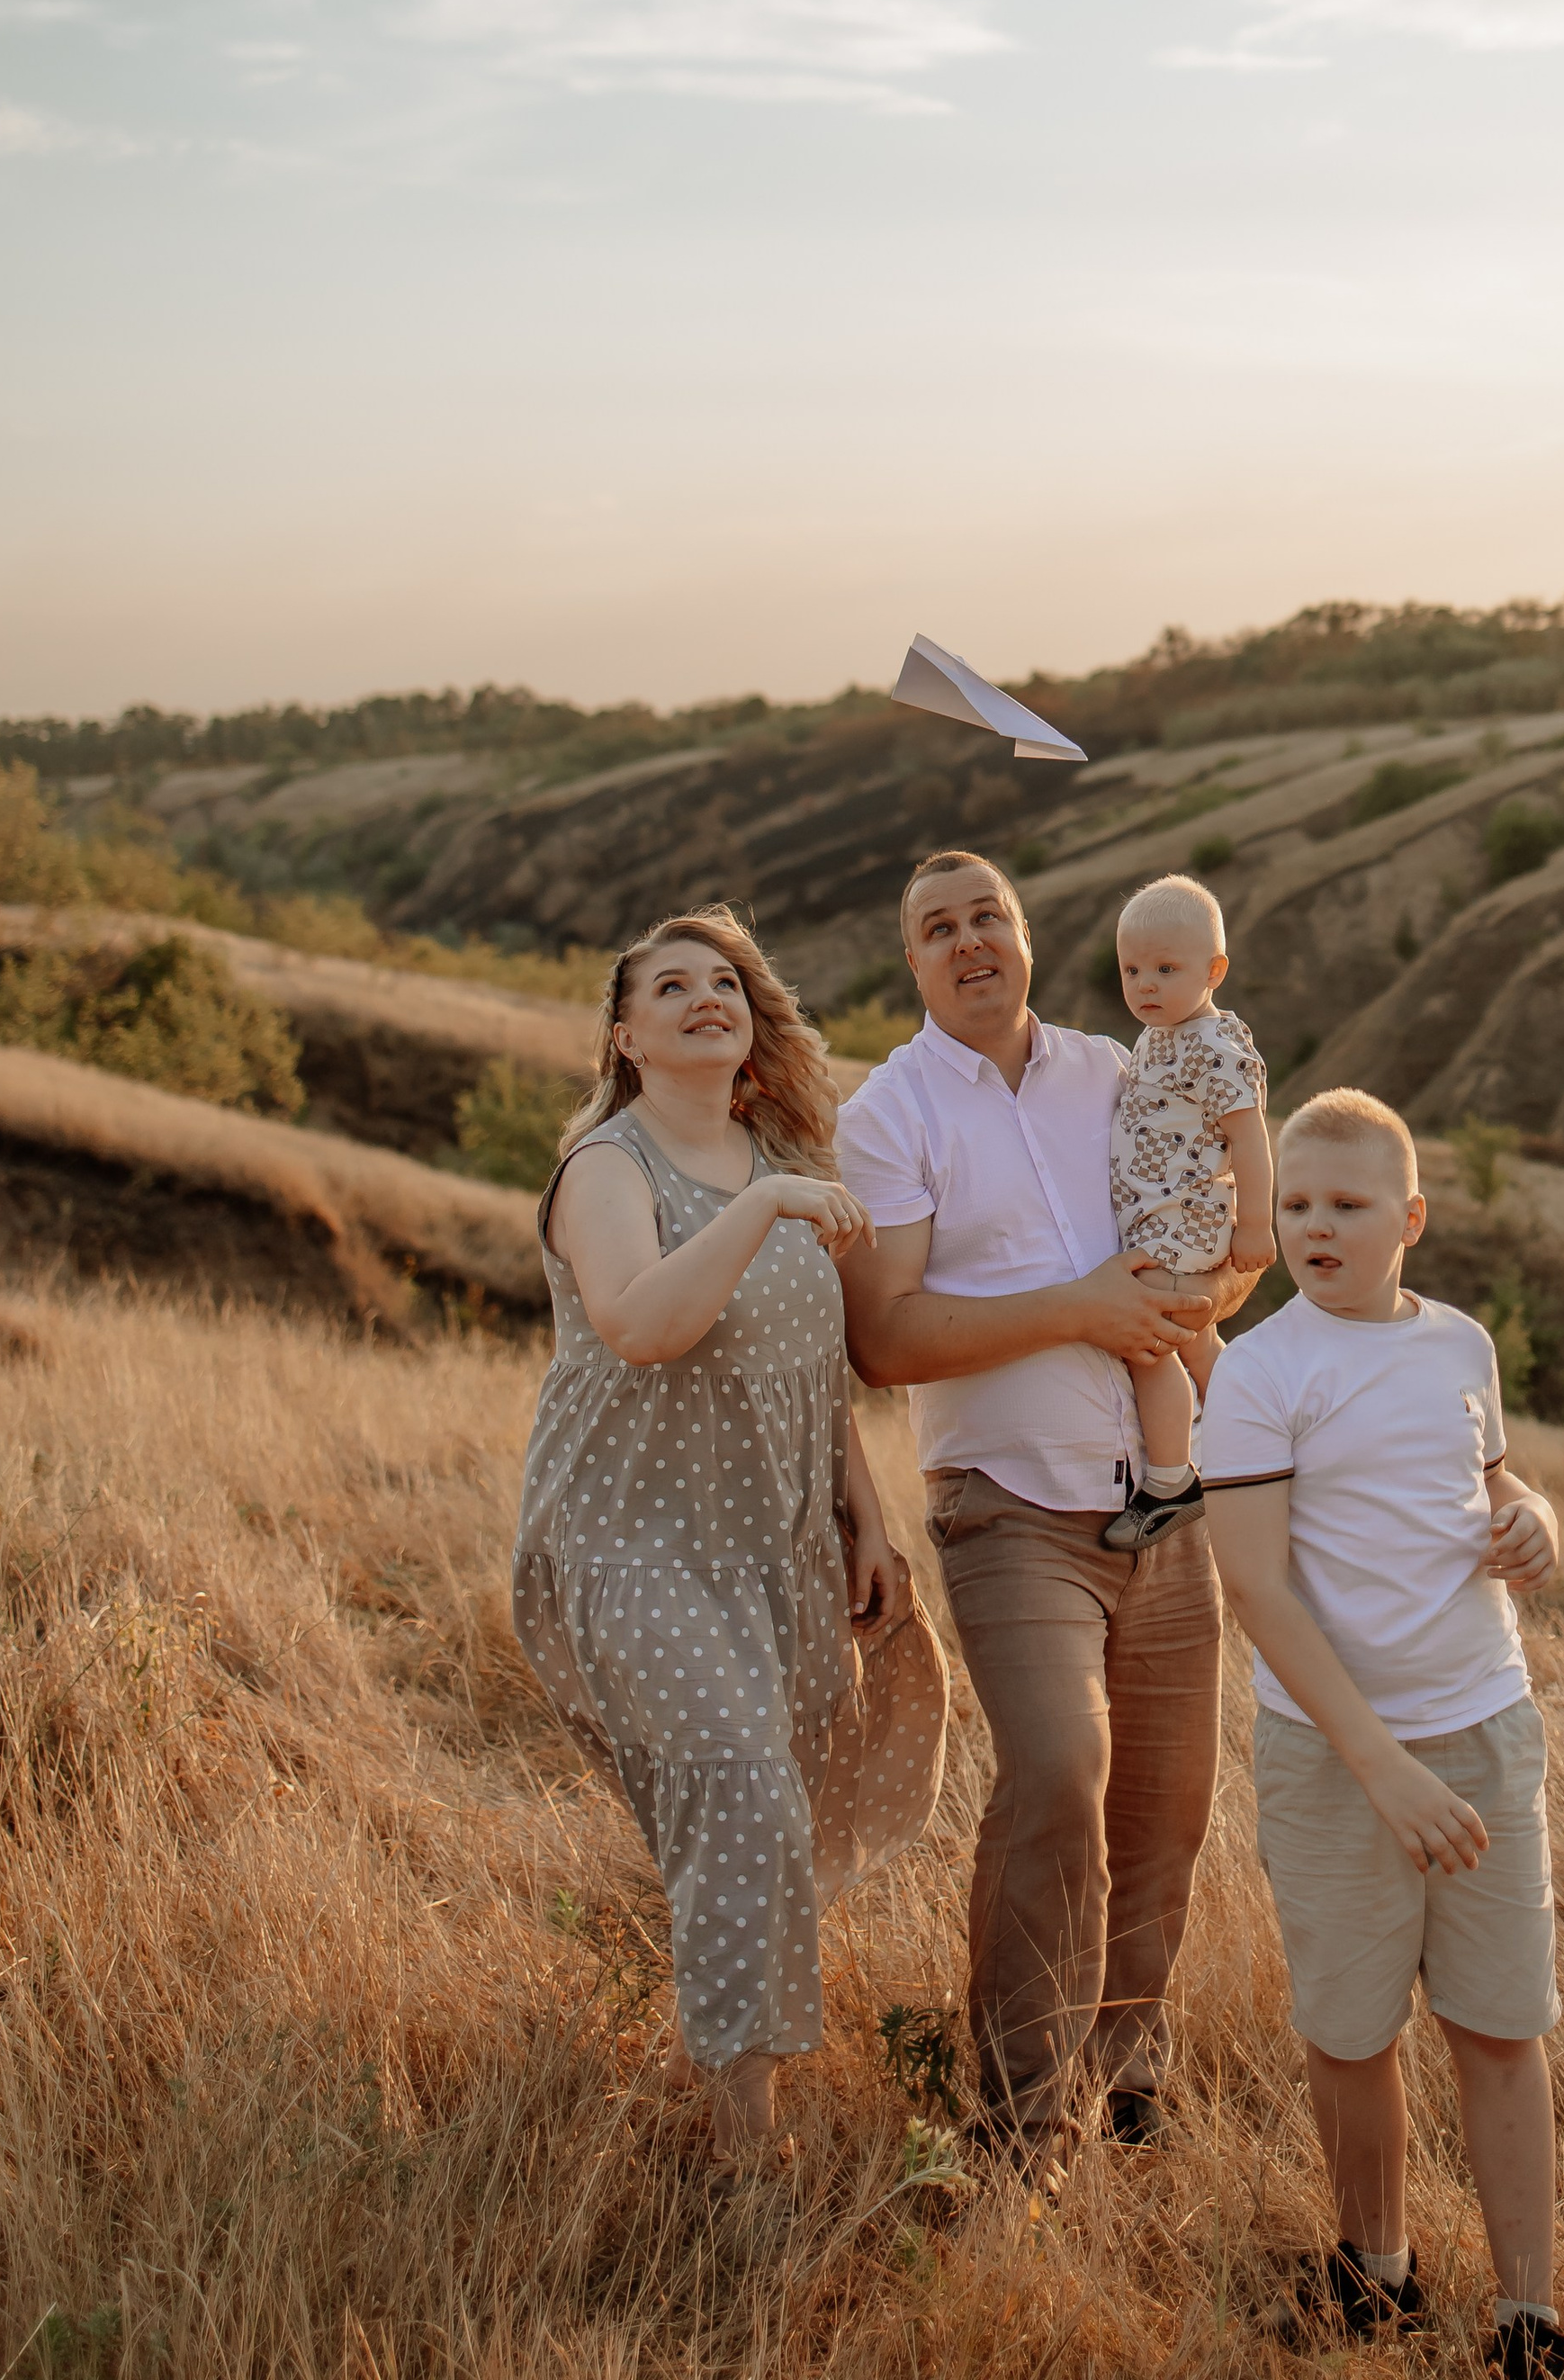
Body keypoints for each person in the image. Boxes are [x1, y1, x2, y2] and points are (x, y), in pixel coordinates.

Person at [836, 849, 1261, 2161]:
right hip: (1007, 1508)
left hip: (1160, 1495)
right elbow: (887, 1338)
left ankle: (1129, 2075)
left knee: (1165, 1802)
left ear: (1025, 936)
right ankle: (1022, 2117)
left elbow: (1203, 1243)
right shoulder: (890, 1112)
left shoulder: (1117, 1068)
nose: (969, 943)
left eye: (989, 917)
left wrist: (1211, 1287)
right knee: (1062, 1773)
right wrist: (1082, 1307)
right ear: (911, 960)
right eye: (937, 928)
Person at [510, 907, 947, 2165]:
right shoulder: (608, 1167)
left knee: (767, 1810)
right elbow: (645, 1323)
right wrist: (762, 1217)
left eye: (726, 984)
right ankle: (745, 2148)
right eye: (672, 986)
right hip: (625, 1544)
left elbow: (814, 1369)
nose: (707, 997)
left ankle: (727, 2053)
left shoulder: (776, 1156)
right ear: (627, 1035)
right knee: (746, 1794)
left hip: (774, 1547)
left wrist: (864, 1516)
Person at [1202, 1089, 1564, 2376]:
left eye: (1348, 1205)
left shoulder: (1460, 1347)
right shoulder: (1257, 1372)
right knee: (1353, 2031)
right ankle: (1378, 2274)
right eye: (1296, 1204)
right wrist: (1380, 1767)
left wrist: (1533, 1514)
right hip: (1336, 1758)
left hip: (1483, 1725)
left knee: (1500, 2026)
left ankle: (1528, 2318)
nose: (1317, 1225)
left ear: (1407, 1218)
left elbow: (1487, 1478)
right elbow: (1256, 1587)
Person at [1102, 870, 1274, 1550]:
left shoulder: (1215, 1048)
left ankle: (1171, 1481)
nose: (1145, 984)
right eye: (1132, 969)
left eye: (1166, 969)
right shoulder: (1159, 1036)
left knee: (1150, 1347)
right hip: (1160, 1223)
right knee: (1197, 1347)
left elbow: (1251, 1140)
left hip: (1183, 1229)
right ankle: (1258, 1446)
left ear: (1214, 970)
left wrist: (1255, 1225)